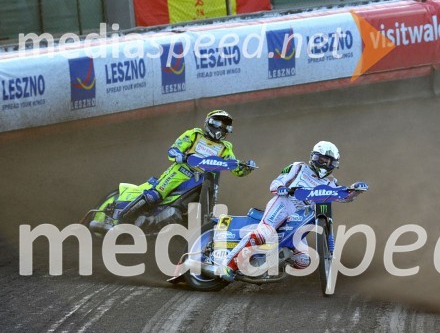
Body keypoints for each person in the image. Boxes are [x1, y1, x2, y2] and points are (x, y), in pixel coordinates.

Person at [220, 141, 365, 281]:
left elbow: (342, 197)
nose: (325, 163)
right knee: (263, 233)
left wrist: (356, 190)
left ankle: (273, 262)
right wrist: (282, 188)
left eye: (329, 161)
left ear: (334, 164)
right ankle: (228, 266)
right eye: (321, 159)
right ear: (314, 157)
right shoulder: (298, 167)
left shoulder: (331, 182)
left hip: (301, 217)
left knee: (304, 261)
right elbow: (276, 183)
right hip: (284, 204)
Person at [119, 110, 254, 222]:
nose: (223, 128)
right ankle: (123, 217)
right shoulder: (195, 134)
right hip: (181, 172)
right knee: (154, 195)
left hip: (204, 179)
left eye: (226, 126)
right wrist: (182, 156)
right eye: (220, 124)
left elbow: (236, 169)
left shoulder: (225, 148)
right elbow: (173, 151)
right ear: (210, 123)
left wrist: (246, 167)